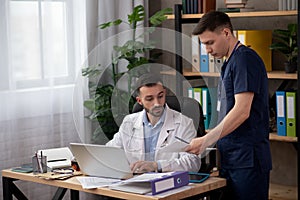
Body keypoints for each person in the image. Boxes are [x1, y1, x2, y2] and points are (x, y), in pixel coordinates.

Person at [185, 11, 272, 200]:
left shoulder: (244, 59)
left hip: (247, 160)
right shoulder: (229, 62)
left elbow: (242, 111)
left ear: (226, 33)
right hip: (232, 158)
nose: (207, 50)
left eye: (210, 43)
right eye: (203, 45)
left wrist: (206, 140)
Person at [106, 73, 201, 173]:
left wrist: (157, 165)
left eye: (160, 96)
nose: (157, 103)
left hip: (168, 183)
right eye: (150, 99)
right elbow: (109, 152)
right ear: (139, 101)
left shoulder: (184, 123)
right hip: (135, 182)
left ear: (164, 93)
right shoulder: (129, 122)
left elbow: (193, 163)